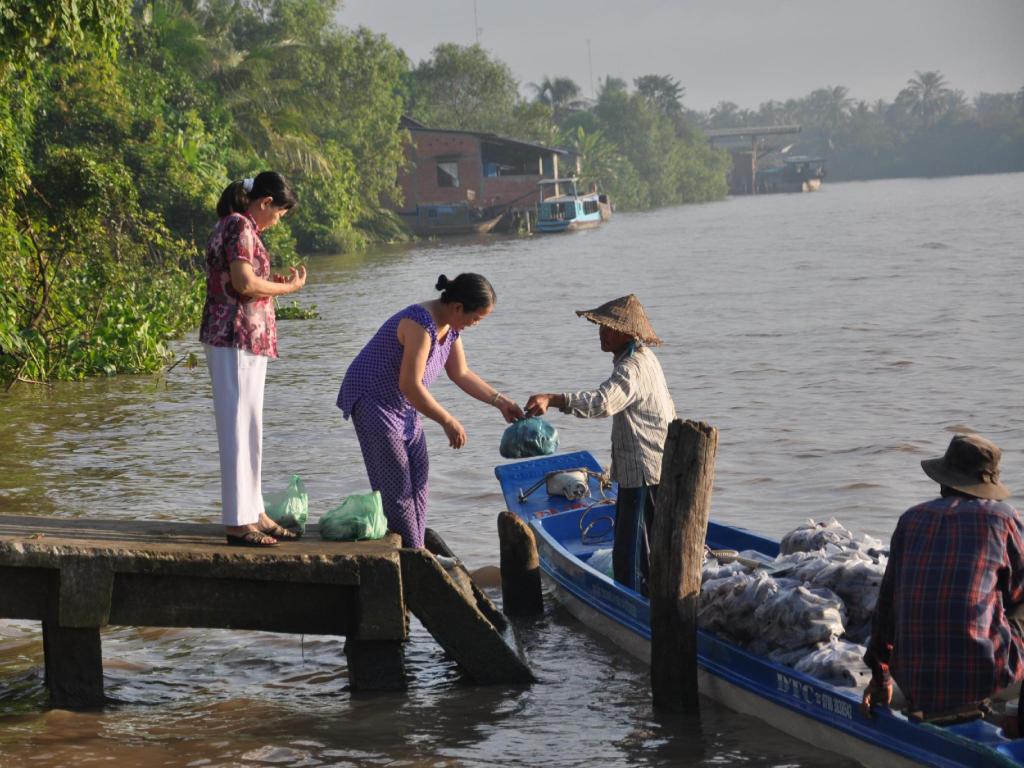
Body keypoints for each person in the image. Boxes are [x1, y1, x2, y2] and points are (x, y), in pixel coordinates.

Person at [337, 273, 523, 549]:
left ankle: (416, 547)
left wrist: (500, 401)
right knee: (397, 487)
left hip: (404, 404)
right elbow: (410, 385)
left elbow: (460, 373)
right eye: (477, 317)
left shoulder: (451, 326)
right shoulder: (420, 324)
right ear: (458, 307)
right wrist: (447, 420)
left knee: (420, 480)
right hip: (373, 401)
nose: (476, 324)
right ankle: (413, 555)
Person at [862, 433, 1024, 724]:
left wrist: (880, 676)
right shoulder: (1003, 519)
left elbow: (885, 610)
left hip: (914, 680)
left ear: (943, 481)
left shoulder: (910, 519)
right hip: (983, 675)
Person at [525, 294, 676, 594]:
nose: (602, 333)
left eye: (609, 328)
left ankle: (629, 595)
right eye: (601, 326)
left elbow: (602, 402)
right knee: (651, 533)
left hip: (642, 466)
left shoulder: (631, 367)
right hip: (656, 459)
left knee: (630, 541)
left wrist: (554, 399)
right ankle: (650, 587)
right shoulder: (643, 359)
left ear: (628, 334)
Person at [201, 172, 307, 547]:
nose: (278, 221)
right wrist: (287, 287)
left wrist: (269, 281)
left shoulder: (241, 228)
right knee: (236, 428)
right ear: (264, 203)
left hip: (243, 338)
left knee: (249, 427)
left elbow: (242, 281)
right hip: (233, 335)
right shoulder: (238, 226)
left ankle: (253, 511)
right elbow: (244, 283)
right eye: (279, 213)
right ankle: (236, 522)